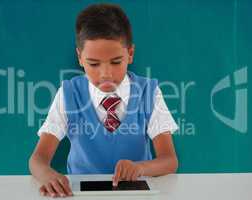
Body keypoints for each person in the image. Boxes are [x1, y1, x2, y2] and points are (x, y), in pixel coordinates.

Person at [29, 3, 178, 198]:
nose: (105, 73)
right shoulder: (69, 93)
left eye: (116, 62)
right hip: (81, 195)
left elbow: (170, 160)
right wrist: (48, 175)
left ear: (130, 54)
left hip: (135, 193)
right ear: (80, 58)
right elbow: (37, 159)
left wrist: (140, 167)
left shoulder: (148, 92)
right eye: (93, 64)